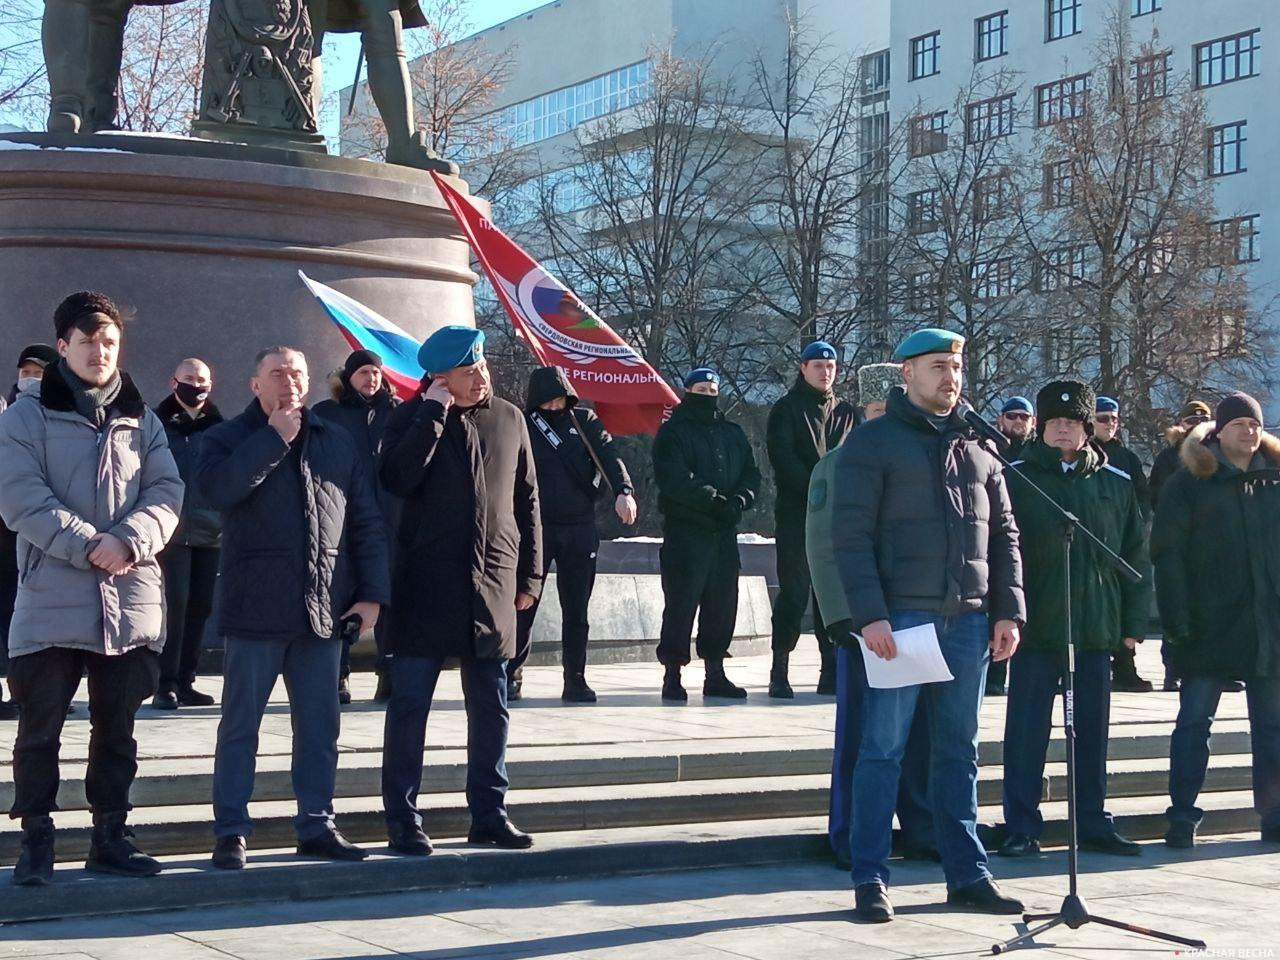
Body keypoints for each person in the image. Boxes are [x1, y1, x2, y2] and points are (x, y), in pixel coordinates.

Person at [831, 328, 1026, 923]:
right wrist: (871, 617)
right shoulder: (873, 443)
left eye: (958, 368)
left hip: (967, 623)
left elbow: (1006, 536)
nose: (951, 378)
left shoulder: (979, 447)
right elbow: (851, 536)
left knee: (959, 752)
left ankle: (967, 875)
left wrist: (1008, 611)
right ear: (907, 373)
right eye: (939, 366)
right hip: (903, 622)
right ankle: (870, 878)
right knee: (883, 750)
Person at [0, 291, 184, 886]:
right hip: (53, 594)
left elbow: (167, 493)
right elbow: (20, 497)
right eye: (88, 341)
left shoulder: (143, 419)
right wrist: (89, 545)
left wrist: (129, 539)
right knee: (40, 728)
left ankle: (110, 834)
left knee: (117, 727)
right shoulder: (24, 417)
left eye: (109, 341)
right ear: (63, 347)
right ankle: (36, 840)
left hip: (128, 597)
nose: (100, 351)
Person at [199, 346, 389, 870]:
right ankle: (232, 830)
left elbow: (366, 520)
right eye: (277, 373)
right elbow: (218, 490)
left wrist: (372, 593)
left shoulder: (336, 440)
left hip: (321, 612)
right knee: (240, 726)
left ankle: (316, 825)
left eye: (298, 374)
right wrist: (273, 441)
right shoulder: (227, 438)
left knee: (320, 726)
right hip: (255, 610)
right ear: (254, 384)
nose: (290, 382)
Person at [379, 326, 542, 856]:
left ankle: (490, 814)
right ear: (439, 379)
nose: (481, 378)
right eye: (467, 372)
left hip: (493, 583)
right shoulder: (410, 419)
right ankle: (403, 820)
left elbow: (528, 503)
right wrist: (431, 414)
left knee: (491, 707)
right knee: (409, 707)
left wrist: (531, 577)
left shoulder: (511, 419)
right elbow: (398, 478)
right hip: (425, 585)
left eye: (482, 367)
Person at [999, 380, 1149, 859]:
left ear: (1087, 429)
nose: (1062, 429)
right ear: (1041, 426)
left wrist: (1132, 624)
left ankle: (1092, 820)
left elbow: (1133, 556)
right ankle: (1021, 825)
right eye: (1054, 422)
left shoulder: (1114, 483)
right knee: (1026, 732)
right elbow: (1001, 550)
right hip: (1036, 628)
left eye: (1072, 422)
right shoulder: (1015, 477)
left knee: (1091, 729)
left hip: (1093, 627)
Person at [811, 361, 934, 872]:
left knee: (919, 735)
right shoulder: (838, 463)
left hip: (915, 615)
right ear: (864, 412)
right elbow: (823, 543)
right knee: (862, 736)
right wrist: (842, 615)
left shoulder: (922, 453)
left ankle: (921, 827)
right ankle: (851, 834)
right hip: (863, 622)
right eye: (881, 410)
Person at [1152, 392, 1280, 849]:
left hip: (1269, 626)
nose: (1248, 431)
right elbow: (1168, 557)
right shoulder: (1190, 483)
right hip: (1207, 626)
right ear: (1219, 432)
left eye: (1254, 424)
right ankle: (1182, 816)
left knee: (1271, 726)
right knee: (1193, 723)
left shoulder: (1275, 480)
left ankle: (1274, 814)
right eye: (1239, 424)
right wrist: (1177, 621)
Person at [508, 365, 636, 704]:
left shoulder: (585, 421)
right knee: (524, 604)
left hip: (579, 527)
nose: (554, 407)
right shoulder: (522, 423)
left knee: (576, 609)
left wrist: (624, 490)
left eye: (559, 399)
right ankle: (511, 675)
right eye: (547, 401)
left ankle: (575, 678)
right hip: (534, 529)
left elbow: (609, 456)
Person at [652, 368, 761, 702]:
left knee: (722, 603)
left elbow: (751, 474)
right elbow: (674, 477)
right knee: (681, 604)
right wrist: (712, 500)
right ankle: (673, 673)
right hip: (687, 531)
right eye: (701, 388)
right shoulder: (673, 432)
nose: (709, 393)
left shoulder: (731, 432)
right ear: (687, 391)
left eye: (713, 388)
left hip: (723, 531)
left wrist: (739, 501)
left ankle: (715, 672)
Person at [766, 341, 857, 699]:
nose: (825, 371)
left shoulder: (846, 412)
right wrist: (817, 489)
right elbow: (783, 458)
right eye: (817, 365)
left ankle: (830, 666)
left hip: (837, 516)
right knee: (794, 589)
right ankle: (780, 667)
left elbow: (852, 457)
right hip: (797, 514)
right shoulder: (786, 409)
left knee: (829, 593)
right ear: (803, 369)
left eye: (831, 365)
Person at [313, 348, 401, 705]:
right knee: (341, 596)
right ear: (348, 377)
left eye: (376, 372)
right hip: (342, 518)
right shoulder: (326, 415)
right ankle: (338, 674)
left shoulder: (396, 413)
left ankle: (389, 672)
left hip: (389, 518)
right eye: (364, 372)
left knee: (387, 596)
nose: (371, 378)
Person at [151, 358, 224, 710]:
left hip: (211, 531)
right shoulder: (154, 424)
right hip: (170, 531)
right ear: (173, 381)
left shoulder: (221, 427)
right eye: (190, 379)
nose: (197, 385)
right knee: (174, 607)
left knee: (200, 607)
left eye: (203, 380)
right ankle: (164, 683)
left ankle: (186, 681)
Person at [0, 345, 60, 722]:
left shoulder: (57, 415)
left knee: (26, 621)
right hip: (7, 535)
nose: (29, 378)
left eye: (38, 371)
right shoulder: (8, 414)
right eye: (25, 371)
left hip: (34, 540)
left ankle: (30, 694)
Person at [1149, 399, 1213, 693]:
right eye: (1192, 420)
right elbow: (1157, 498)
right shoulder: (1168, 458)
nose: (1197, 425)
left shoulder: (1217, 454)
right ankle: (1173, 670)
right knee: (1175, 608)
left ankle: (1219, 668)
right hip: (1178, 542)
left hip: (1212, 545)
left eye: (1204, 419)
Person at [1093, 395, 1155, 694]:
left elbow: (1142, 496)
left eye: (1115, 419)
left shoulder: (1126, 458)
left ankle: (1125, 666)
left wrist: (1139, 524)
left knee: (1127, 600)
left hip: (1122, 540)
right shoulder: (1084, 453)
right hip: (1094, 540)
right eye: (1104, 418)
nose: (1111, 424)